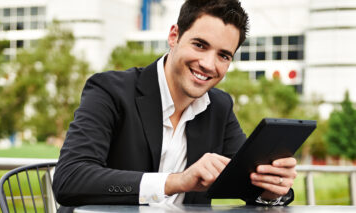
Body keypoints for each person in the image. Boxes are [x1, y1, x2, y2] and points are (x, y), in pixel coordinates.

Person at [52, 0, 297, 211]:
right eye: (200, 45)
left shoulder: (219, 106)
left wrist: (272, 190)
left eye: (223, 55)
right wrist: (176, 181)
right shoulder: (110, 90)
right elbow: (70, 180)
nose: (209, 64)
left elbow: (245, 180)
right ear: (174, 36)